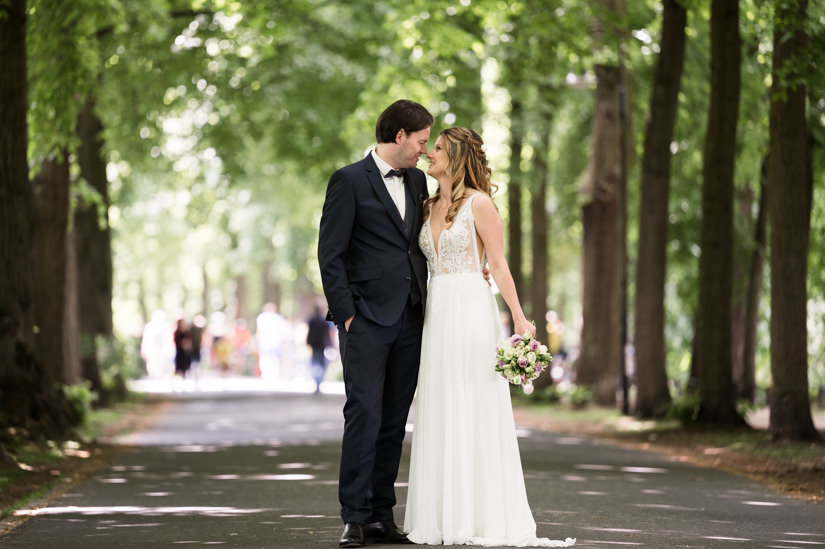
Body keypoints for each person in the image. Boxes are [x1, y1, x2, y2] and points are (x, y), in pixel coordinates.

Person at [403, 127, 575, 547]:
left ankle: (479, 516)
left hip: (471, 312)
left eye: (437, 149)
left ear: (457, 156)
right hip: (437, 313)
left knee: (472, 401)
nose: (429, 154)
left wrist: (519, 318)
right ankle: (441, 518)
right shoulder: (426, 206)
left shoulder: (480, 204)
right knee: (441, 402)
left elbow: (497, 265)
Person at [318, 99, 433, 548]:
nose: (424, 150)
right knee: (363, 413)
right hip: (364, 318)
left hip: (410, 315)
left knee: (394, 418)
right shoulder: (347, 180)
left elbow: (422, 243)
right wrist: (347, 314)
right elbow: (331, 254)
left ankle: (383, 514)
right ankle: (355, 515)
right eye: (421, 141)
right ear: (400, 135)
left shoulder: (420, 180)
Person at [306, 304, 333, 393]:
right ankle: (318, 381)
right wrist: (330, 343)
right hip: (321, 344)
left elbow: (309, 332)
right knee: (320, 362)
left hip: (315, 343)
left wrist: (308, 341)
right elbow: (328, 333)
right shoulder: (323, 321)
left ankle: (317, 381)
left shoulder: (312, 320)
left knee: (315, 361)